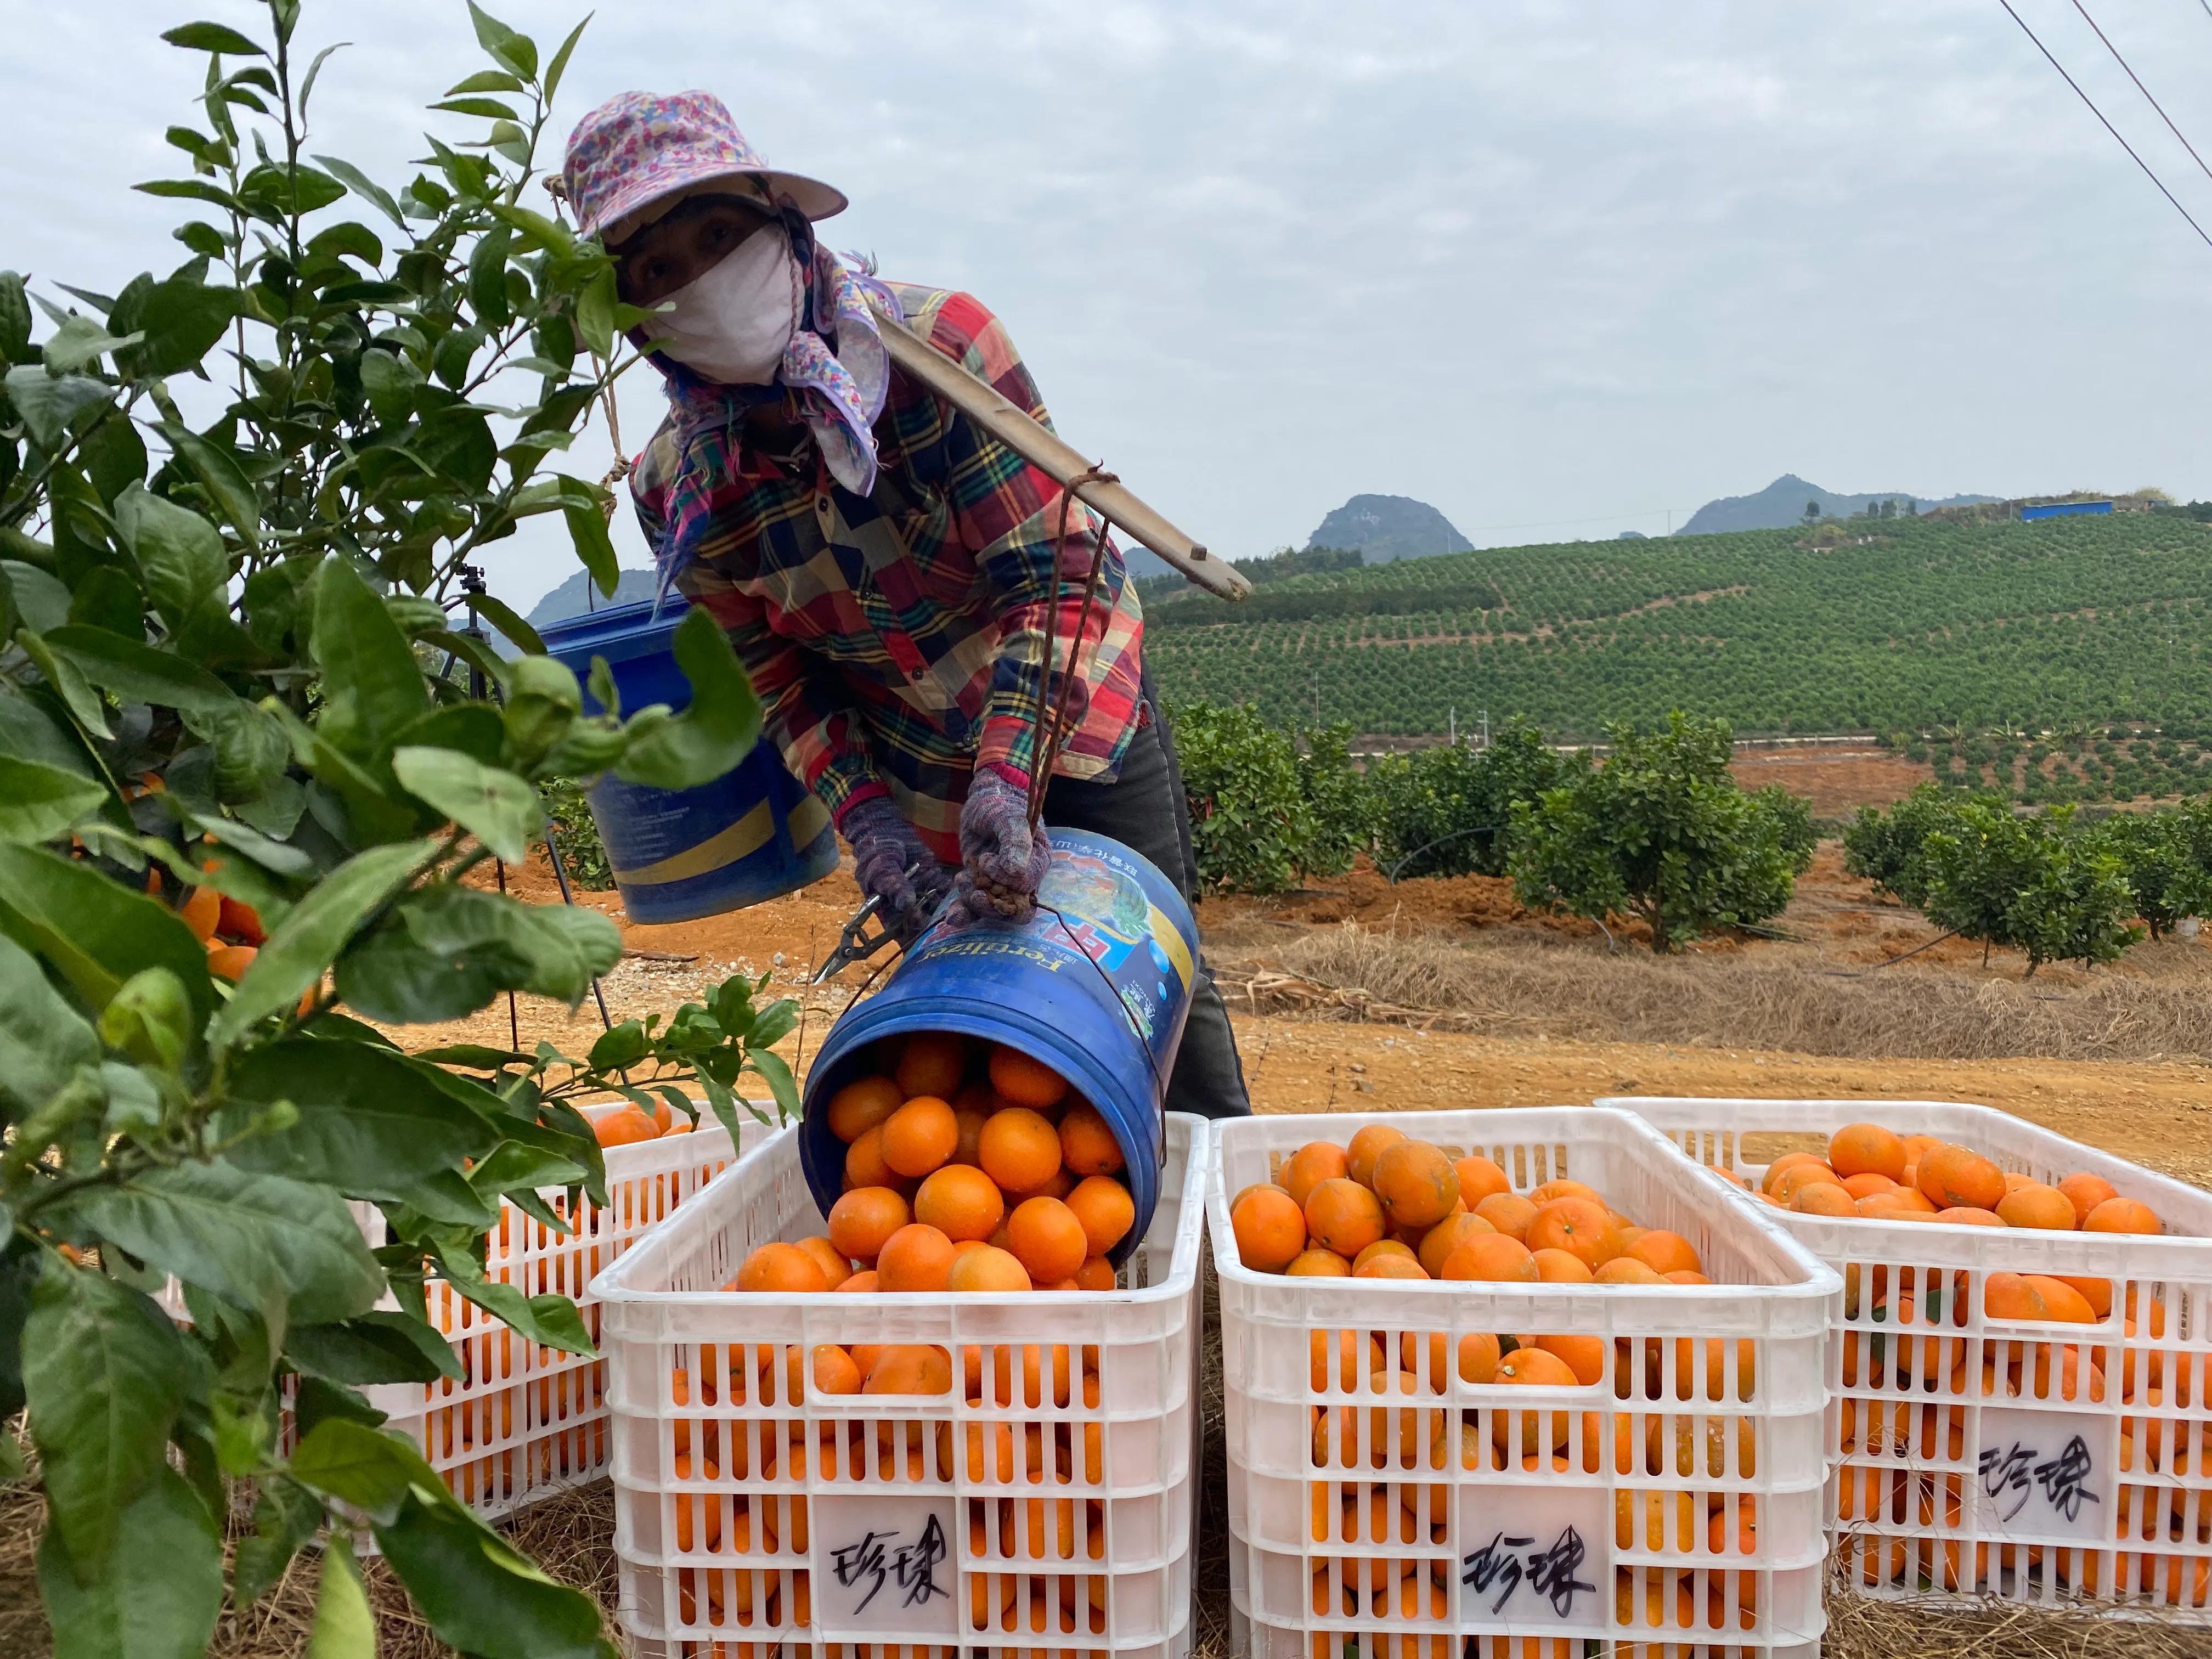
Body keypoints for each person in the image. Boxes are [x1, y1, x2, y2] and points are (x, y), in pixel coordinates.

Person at [562, 91, 1249, 1119]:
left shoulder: (942, 357)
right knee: (980, 1039)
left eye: (716, 235)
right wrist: (872, 828)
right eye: (655, 271)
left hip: (1069, 713)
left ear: (782, 226)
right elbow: (780, 680)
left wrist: (1008, 781)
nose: (697, 281)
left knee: (1150, 977)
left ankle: (1210, 1230)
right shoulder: (685, 491)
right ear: (631, 316)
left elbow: (1048, 581)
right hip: (916, 763)